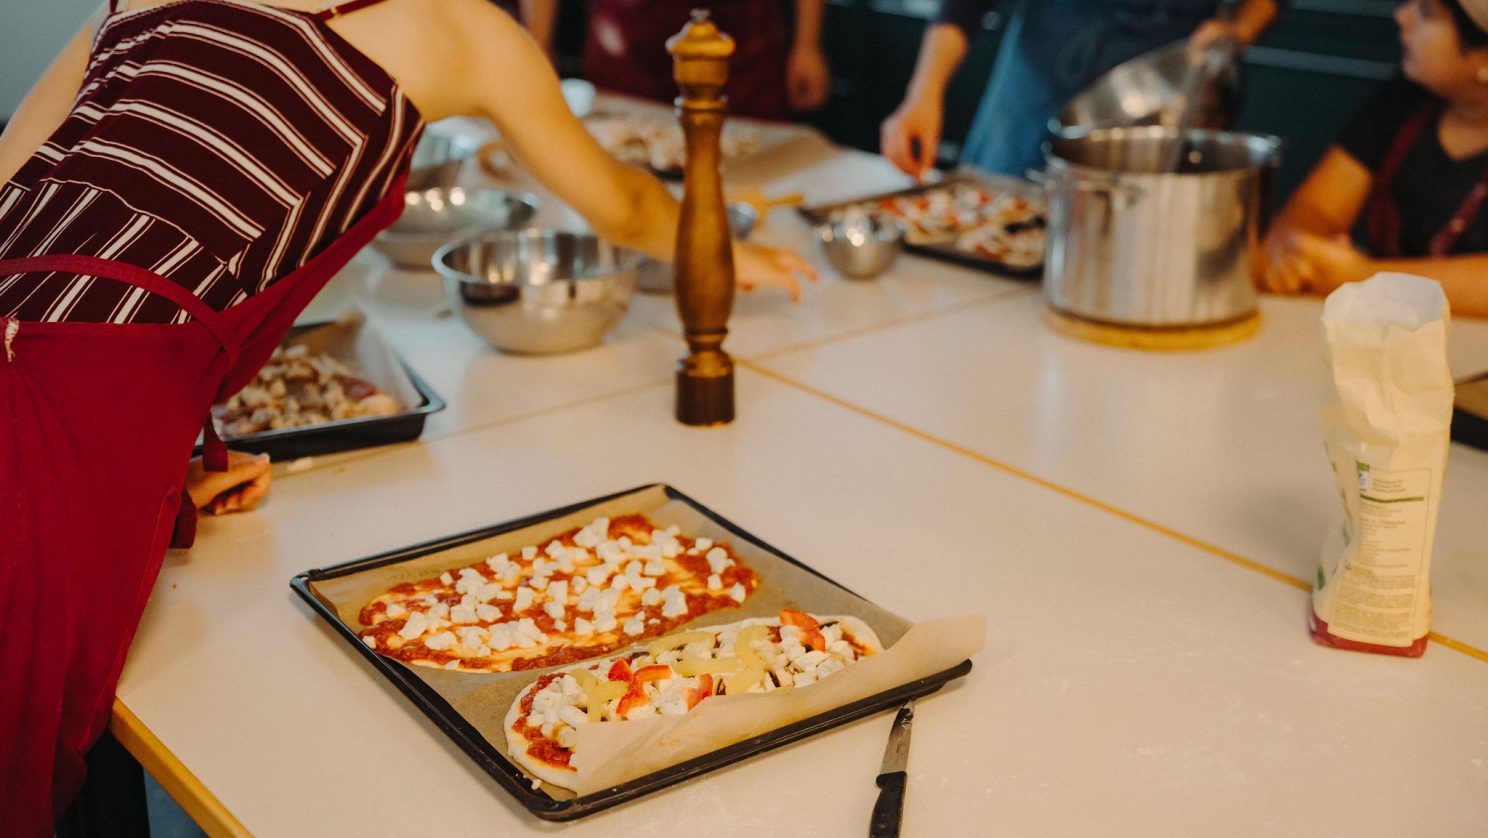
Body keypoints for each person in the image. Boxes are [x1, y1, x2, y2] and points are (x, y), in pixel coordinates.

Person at [0, 1, 814, 832]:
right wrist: (722, 249)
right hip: (67, 423)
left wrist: (147, 467)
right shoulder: (460, 28)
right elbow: (626, 208)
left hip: (63, 393)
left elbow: (18, 196)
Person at [1258, 0, 1488, 317]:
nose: (1402, 16)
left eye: (1427, 13)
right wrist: (1296, 251)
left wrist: (1365, 278)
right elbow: (1316, 209)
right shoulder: (1407, 97)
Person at [881, 0, 1279, 179]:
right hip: (1037, 72)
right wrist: (923, 94)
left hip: (1160, 85)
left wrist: (1238, 29)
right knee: (990, 224)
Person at [523, 0, 831, 120]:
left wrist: (808, 42)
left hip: (741, 42)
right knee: (624, 162)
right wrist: (536, 44)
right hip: (626, 41)